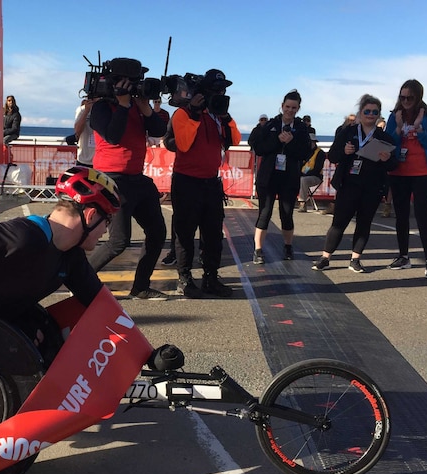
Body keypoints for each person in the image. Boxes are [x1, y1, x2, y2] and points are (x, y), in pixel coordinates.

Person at [0, 166, 119, 359]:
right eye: (107, 221)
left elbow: (101, 303)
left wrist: (145, 354)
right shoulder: (25, 236)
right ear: (90, 215)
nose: (105, 231)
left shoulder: (71, 256)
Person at [88, 57, 168, 300]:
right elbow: (112, 136)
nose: (135, 86)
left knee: (157, 234)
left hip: (137, 179)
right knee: (119, 242)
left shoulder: (136, 107)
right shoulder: (101, 107)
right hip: (111, 180)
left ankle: (140, 287)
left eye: (137, 82)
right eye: (131, 82)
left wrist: (146, 110)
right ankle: (82, 279)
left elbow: (158, 131)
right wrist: (123, 106)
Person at [168, 69, 239, 298]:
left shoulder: (218, 116)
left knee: (213, 234)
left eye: (223, 90)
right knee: (185, 233)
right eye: (216, 90)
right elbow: (184, 144)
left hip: (211, 183)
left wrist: (226, 118)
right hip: (187, 182)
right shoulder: (182, 114)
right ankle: (185, 278)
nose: (220, 93)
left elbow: (234, 141)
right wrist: (196, 114)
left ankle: (210, 277)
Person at [312, 95, 398, 274]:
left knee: (364, 224)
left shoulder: (385, 137)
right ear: (361, 113)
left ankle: (355, 259)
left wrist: (387, 159)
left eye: (375, 112)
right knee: (339, 223)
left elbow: (393, 165)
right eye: (367, 111)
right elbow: (333, 156)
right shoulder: (348, 132)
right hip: (348, 185)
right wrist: (344, 151)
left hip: (372, 187)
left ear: (379, 115)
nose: (371, 114)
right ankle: (325, 257)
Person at [384, 79, 427, 279]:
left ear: (418, 96)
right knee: (401, 215)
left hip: (424, 172)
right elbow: (389, 142)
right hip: (399, 171)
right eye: (402, 97)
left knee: (422, 215)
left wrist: (419, 130)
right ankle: (403, 256)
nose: (406, 101)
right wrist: (399, 127)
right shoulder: (395, 115)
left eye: (410, 97)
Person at [249, 90, 311, 263]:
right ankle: (258, 249)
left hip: (289, 177)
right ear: (282, 106)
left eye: (294, 108)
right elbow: (259, 148)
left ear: (298, 109)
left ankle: (288, 246)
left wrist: (290, 143)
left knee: (286, 213)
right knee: (265, 212)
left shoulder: (301, 128)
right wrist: (278, 140)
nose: (290, 110)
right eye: (287, 107)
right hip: (268, 177)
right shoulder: (270, 125)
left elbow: (305, 153)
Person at [298, 134, 326, 212]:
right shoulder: (305, 152)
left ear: (313, 142)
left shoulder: (320, 153)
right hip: (303, 175)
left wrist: (304, 174)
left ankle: (302, 203)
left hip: (316, 177)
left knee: (303, 180)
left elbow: (317, 169)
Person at [74, 98, 96, 167]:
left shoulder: (105, 109)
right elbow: (77, 131)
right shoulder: (82, 110)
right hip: (83, 158)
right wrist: (86, 111)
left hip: (99, 159)